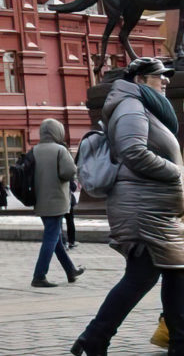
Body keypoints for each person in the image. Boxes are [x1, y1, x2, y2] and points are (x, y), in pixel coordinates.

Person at [74, 57, 184, 355]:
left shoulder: (142, 106)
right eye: (158, 76)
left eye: (167, 76)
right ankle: (95, 337)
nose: (165, 81)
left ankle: (177, 341)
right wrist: (175, 172)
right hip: (142, 210)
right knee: (143, 276)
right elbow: (133, 152)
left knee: (173, 273)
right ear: (139, 80)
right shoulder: (131, 106)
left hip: (153, 209)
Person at [30, 118, 84, 287]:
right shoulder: (60, 150)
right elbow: (69, 172)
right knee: (51, 238)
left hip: (40, 200)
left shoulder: (34, 150)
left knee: (56, 238)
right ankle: (39, 275)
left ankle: (70, 270)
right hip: (57, 199)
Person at [66, 178, 79, 249]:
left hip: (55, 202)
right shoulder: (66, 173)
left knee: (58, 223)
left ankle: (62, 241)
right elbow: (73, 187)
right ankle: (71, 241)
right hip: (67, 201)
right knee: (70, 221)